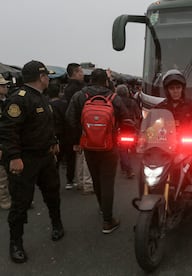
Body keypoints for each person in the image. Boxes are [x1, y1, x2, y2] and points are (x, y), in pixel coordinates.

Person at [0, 60, 64, 263]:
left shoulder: (41, 98)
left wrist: (53, 142)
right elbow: (8, 131)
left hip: (45, 157)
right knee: (21, 203)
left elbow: (46, 125)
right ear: (41, 77)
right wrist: (14, 157)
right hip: (25, 159)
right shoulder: (19, 99)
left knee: (52, 192)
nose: (48, 79)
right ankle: (16, 243)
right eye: (47, 76)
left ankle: (57, 224)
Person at [66, 68, 130, 234]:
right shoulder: (113, 98)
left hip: (88, 145)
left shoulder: (80, 96)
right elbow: (127, 119)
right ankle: (108, 221)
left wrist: (79, 139)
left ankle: (103, 208)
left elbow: (70, 119)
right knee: (107, 180)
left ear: (90, 80)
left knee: (96, 178)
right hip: (110, 146)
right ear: (106, 81)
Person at [154, 69, 192, 212]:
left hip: (188, 147)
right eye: (172, 88)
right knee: (148, 170)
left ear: (182, 88)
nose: (175, 91)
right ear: (167, 90)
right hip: (166, 147)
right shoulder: (161, 107)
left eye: (178, 88)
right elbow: (153, 126)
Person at [63, 63, 93, 193]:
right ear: (75, 73)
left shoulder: (66, 89)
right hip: (81, 126)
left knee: (78, 156)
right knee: (85, 156)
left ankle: (79, 181)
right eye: (80, 72)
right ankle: (87, 183)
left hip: (71, 127)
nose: (82, 74)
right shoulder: (79, 90)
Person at [115, 84, 141, 179]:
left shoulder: (116, 102)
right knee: (126, 149)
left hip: (120, 129)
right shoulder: (132, 102)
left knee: (122, 150)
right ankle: (125, 167)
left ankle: (128, 168)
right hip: (131, 129)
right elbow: (138, 115)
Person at [0, 74, 12, 210]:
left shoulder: (8, 101)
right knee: (2, 176)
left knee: (12, 174)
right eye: (2, 85)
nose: (5, 87)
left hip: (9, 141)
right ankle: (4, 199)